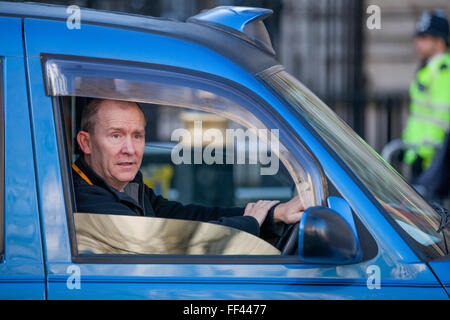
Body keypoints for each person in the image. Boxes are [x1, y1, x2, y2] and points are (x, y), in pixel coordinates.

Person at [72, 98, 305, 239]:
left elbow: (182, 218)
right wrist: (248, 225)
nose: (130, 149)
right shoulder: (84, 197)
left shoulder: (126, 188)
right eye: (116, 136)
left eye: (137, 136)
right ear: (86, 143)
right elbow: (165, 240)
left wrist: (273, 215)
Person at [402, 9, 450, 181]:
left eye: (424, 37)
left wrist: (427, 152)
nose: (418, 42)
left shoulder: (444, 71)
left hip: (433, 159)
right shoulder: (429, 69)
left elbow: (443, 117)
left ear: (440, 41)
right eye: (418, 37)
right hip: (419, 155)